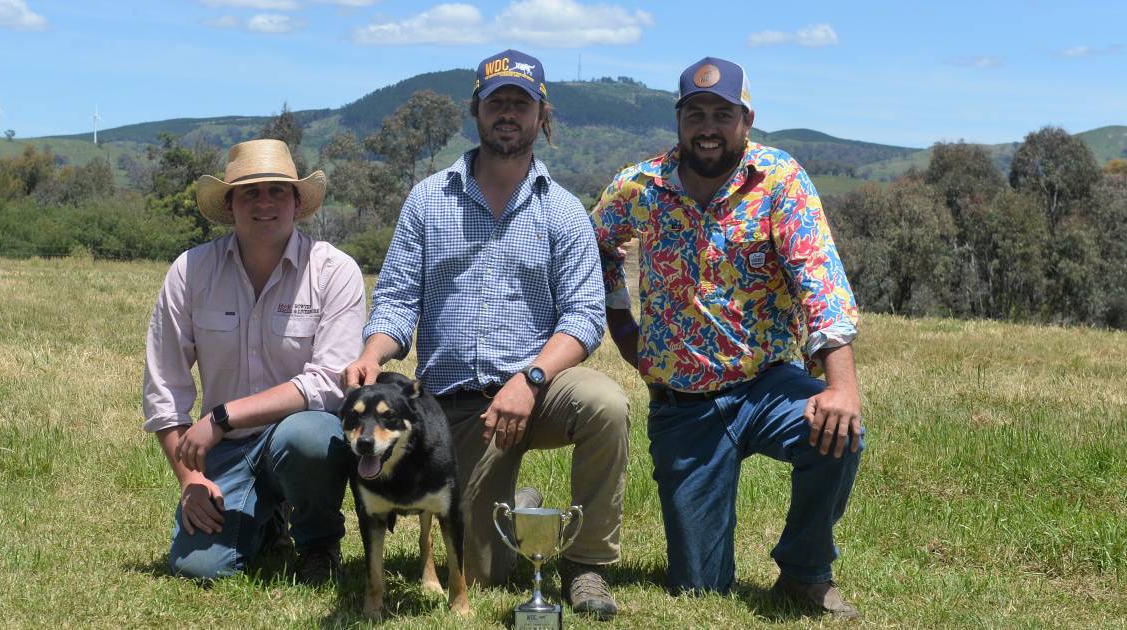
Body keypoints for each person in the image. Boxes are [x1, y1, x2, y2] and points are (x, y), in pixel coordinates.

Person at [344, 49, 629, 620]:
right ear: (475, 111)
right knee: (479, 571)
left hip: (537, 391)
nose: (507, 114)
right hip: (453, 409)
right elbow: (397, 301)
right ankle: (518, 507)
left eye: (520, 104)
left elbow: (583, 317)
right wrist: (373, 354)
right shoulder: (429, 200)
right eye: (496, 102)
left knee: (606, 403)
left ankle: (587, 564)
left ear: (541, 116)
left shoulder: (564, 211)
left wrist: (531, 378)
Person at [589, 57, 865, 619]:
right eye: (696, 114)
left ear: (747, 119)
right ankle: (708, 558)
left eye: (723, 113)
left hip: (767, 384)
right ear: (679, 119)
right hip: (683, 404)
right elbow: (595, 248)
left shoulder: (779, 178)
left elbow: (819, 276)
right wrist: (623, 328)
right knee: (700, 590)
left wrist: (841, 385)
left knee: (839, 433)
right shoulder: (638, 187)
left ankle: (804, 570)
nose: (708, 126)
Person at [142, 139, 364, 582]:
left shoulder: (335, 271)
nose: (265, 203)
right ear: (230, 204)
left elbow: (327, 384)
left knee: (311, 437)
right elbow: (164, 389)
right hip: (224, 451)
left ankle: (318, 544)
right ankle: (266, 523)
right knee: (199, 568)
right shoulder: (189, 271)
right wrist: (189, 479)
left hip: (298, 437)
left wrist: (222, 417)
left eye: (278, 190)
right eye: (250, 192)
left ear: (298, 202)